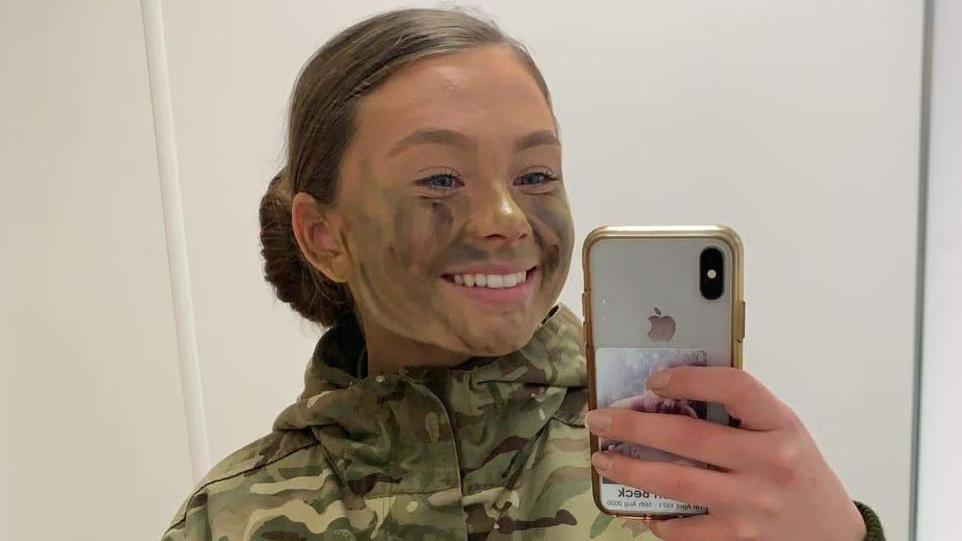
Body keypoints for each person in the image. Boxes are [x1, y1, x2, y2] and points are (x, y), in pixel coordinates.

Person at [161, 8, 884, 541]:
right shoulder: (229, 519)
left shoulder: (688, 477)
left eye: (536, 173)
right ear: (324, 236)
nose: (507, 218)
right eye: (441, 178)